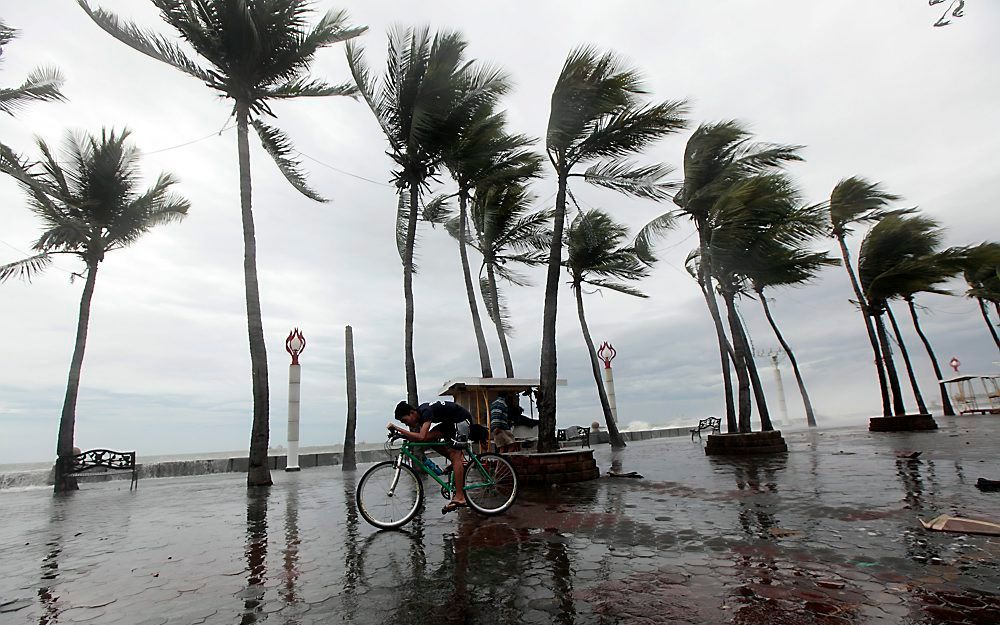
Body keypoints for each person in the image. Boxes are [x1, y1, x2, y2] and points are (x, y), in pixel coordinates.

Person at [388, 400, 472, 514]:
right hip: (450, 423)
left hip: (460, 420)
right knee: (430, 440)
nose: (406, 424)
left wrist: (398, 429)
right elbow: (423, 437)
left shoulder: (425, 412)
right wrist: (402, 435)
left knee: (455, 456)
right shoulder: (421, 414)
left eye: (404, 421)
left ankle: (460, 497)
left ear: (412, 413)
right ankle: (457, 463)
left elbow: (421, 436)